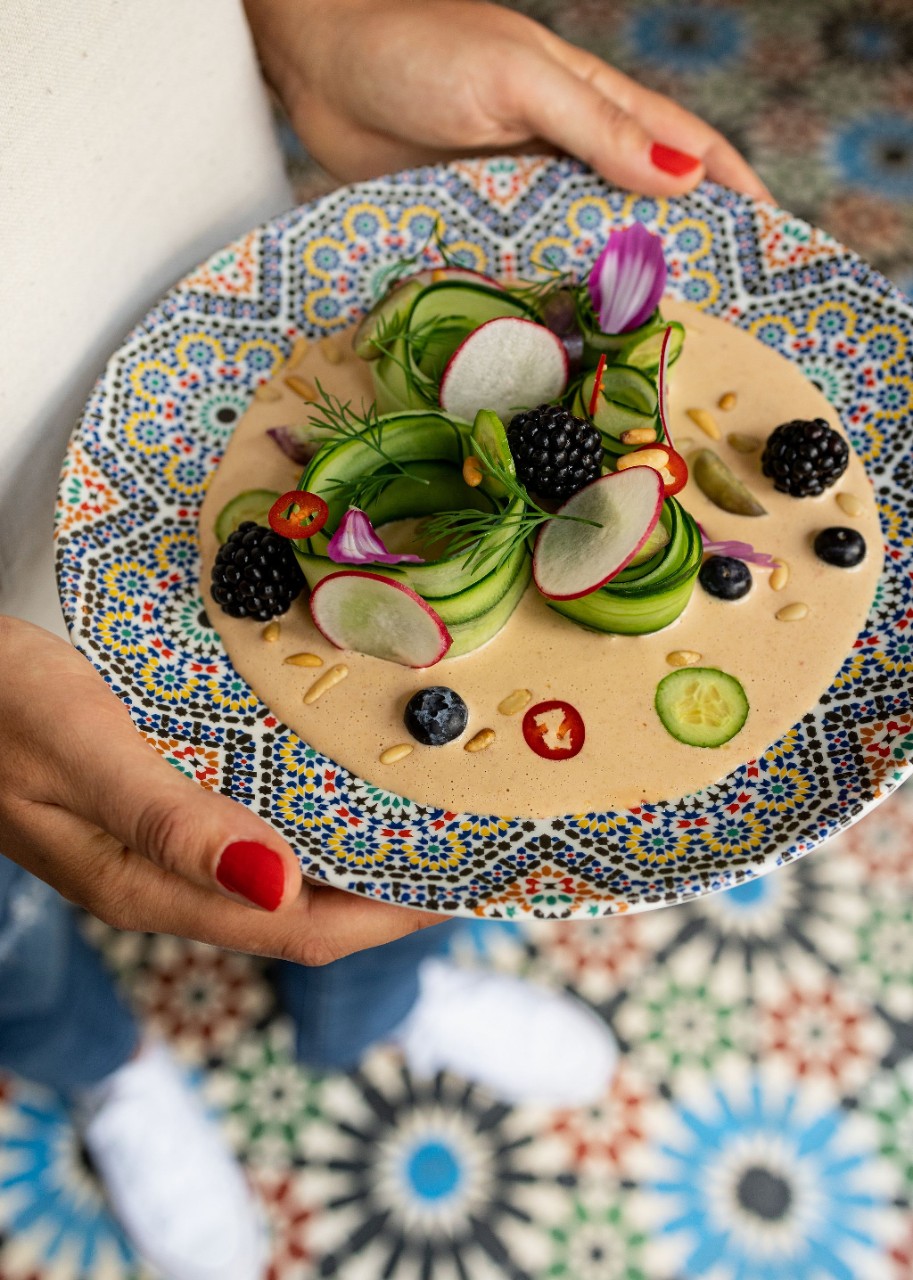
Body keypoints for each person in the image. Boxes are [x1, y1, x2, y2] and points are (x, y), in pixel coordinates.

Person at [0, 2, 772, 1276]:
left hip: (214, 284)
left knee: (399, 832)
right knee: (12, 930)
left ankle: (380, 1004)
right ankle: (106, 1068)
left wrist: (306, 21)